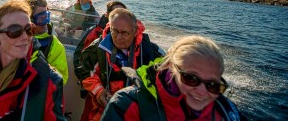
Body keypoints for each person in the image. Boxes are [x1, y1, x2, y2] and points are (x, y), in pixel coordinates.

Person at [101, 35, 243, 121]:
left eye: (213, 85)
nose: (201, 91)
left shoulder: (227, 111)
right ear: (169, 67)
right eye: (190, 78)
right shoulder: (126, 104)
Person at [78, 8, 164, 121]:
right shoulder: (97, 49)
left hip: (136, 113)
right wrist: (99, 91)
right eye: (114, 31)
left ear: (135, 31)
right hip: (103, 110)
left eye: (124, 33)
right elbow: (85, 71)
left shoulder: (151, 52)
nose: (118, 37)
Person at [73, 1, 128, 121]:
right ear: (107, 15)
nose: (119, 17)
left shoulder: (138, 45)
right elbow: (80, 59)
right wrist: (89, 86)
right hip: (94, 92)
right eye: (115, 13)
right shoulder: (96, 35)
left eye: (123, 13)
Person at [25, 0, 69, 85]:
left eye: (47, 16)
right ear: (30, 20)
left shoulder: (54, 45)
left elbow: (61, 79)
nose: (46, 22)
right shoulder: (8, 35)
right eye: (42, 18)